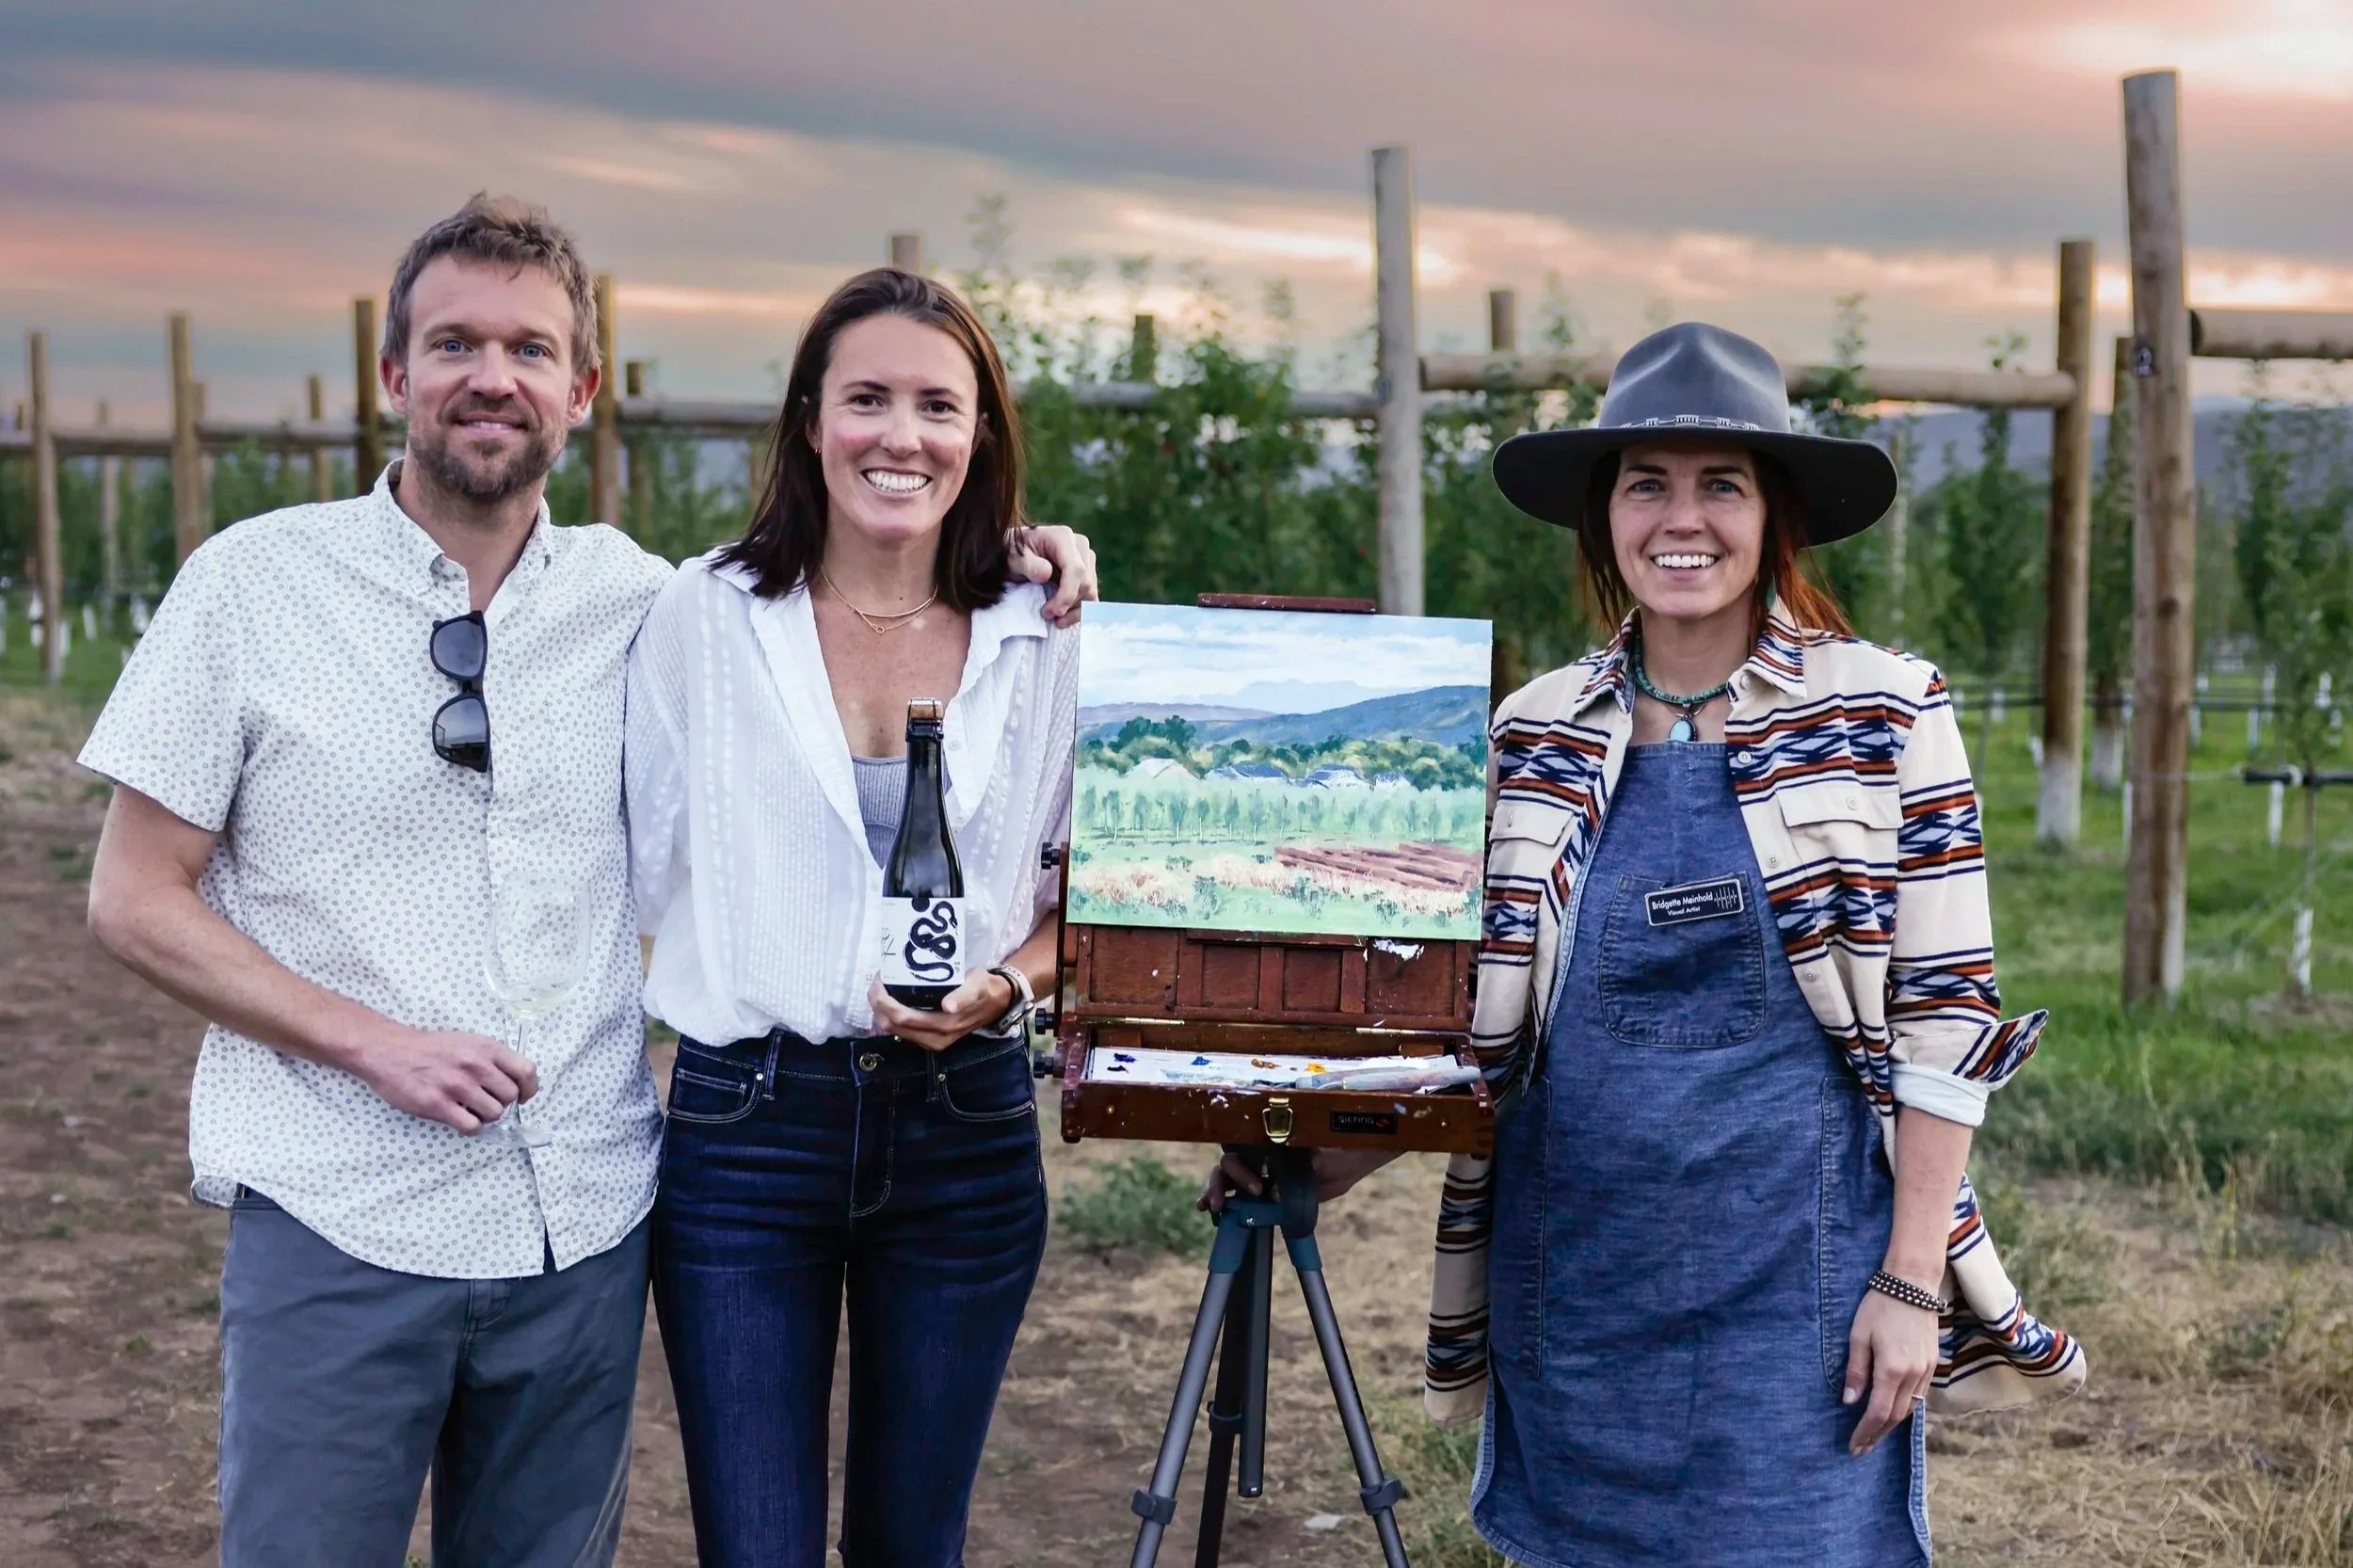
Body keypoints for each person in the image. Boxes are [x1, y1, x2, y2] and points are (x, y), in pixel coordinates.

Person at [79, 196, 1096, 1567]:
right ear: (394, 376)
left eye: (528, 349)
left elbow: (889, 593)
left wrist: (1039, 548)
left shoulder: (640, 600)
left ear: (583, 389)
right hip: (343, 1202)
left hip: (580, 1213)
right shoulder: (255, 586)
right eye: (452, 344)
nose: (491, 377)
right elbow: (133, 896)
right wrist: (373, 1042)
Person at [1209, 323, 2086, 1566]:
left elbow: (1945, 1019)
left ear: (1771, 509)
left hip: (1803, 1291)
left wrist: (1906, 1281)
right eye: (1647, 483)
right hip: (1579, 1287)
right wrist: (1321, 1153)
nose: (1685, 519)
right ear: (1602, 517)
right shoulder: (1535, 732)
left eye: (1720, 482)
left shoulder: (1883, 713)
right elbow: (1481, 1034)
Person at [627, 265, 1075, 1567]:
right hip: (748, 1130)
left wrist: (1004, 987)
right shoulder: (703, 616)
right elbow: (635, 858)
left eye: (939, 404)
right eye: (867, 398)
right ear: (810, 420)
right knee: (754, 1546)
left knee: (911, 1546)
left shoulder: (1041, 630)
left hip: (968, 1134)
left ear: (980, 431)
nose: (902, 435)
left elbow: (1075, 896)